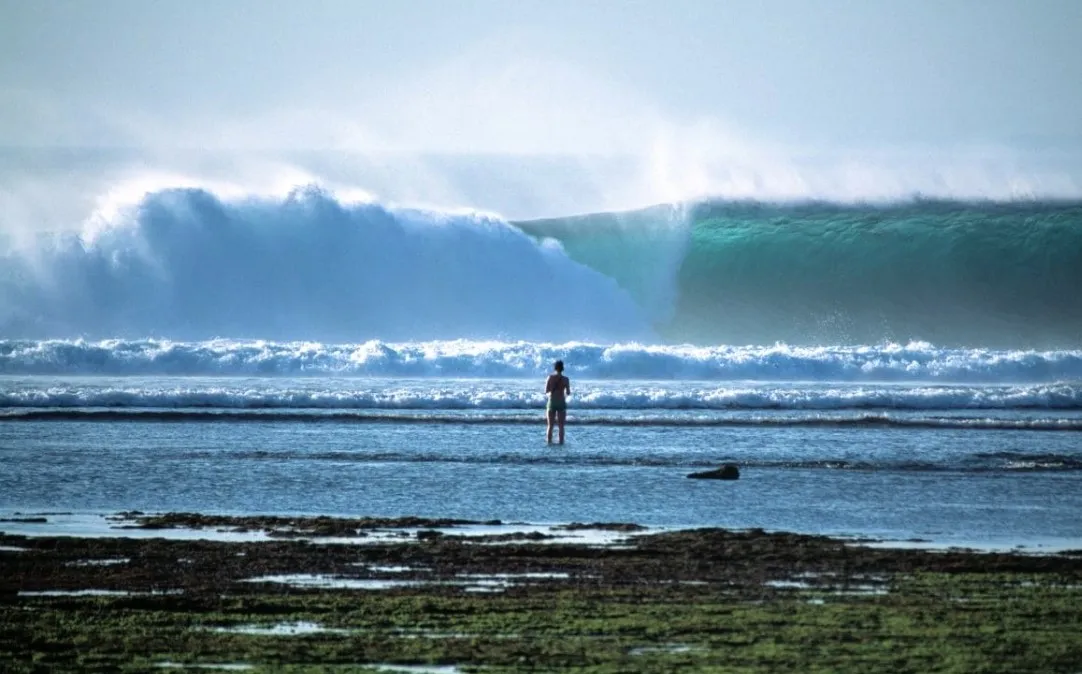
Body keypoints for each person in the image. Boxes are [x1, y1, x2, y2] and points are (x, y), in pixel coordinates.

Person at [545, 360, 571, 445]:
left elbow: (547, 390)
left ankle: (549, 443)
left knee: (550, 426)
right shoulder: (566, 379)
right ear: (563, 368)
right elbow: (568, 393)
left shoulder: (550, 377)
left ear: (555, 368)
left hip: (552, 402)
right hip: (561, 402)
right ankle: (561, 443)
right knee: (561, 427)